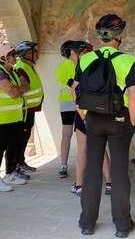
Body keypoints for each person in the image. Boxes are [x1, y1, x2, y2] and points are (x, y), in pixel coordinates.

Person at [75, 14, 135, 238]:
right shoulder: (127, 60)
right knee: (120, 171)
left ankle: (87, 223)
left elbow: (76, 91)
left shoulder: (85, 59)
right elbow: (134, 98)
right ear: (119, 36)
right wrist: (131, 122)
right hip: (119, 120)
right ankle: (122, 225)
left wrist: (85, 116)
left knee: (92, 170)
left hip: (93, 119)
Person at [69, 41, 112, 197]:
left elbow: (74, 92)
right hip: (100, 112)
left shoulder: (81, 67)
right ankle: (109, 182)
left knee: (82, 149)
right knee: (101, 148)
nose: (71, 57)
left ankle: (79, 184)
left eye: (72, 55)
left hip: (85, 113)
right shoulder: (100, 64)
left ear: (80, 54)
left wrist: (82, 115)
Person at [0, 43, 30, 192]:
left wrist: (18, 89)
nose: (15, 57)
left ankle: (9, 173)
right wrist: (19, 90)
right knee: (1, 147)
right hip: (4, 117)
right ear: (4, 57)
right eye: (12, 55)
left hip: (15, 115)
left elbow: (26, 86)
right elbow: (12, 92)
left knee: (13, 146)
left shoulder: (12, 71)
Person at [14, 41, 44, 173]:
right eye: (34, 52)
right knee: (20, 137)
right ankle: (16, 164)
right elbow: (21, 89)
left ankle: (21, 161)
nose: (37, 54)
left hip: (31, 108)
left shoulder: (29, 66)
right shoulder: (21, 68)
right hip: (24, 110)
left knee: (24, 136)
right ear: (26, 54)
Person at [56, 40, 77, 178]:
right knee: (85, 135)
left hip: (66, 104)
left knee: (66, 135)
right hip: (79, 103)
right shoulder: (80, 64)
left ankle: (63, 165)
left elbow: (67, 83)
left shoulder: (61, 67)